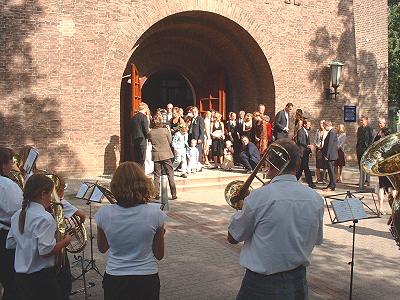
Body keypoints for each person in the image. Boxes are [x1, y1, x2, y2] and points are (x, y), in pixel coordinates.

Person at [227, 138, 324, 300]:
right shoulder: (315, 198)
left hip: (260, 284)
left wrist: (240, 210)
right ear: (298, 165)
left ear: (270, 163)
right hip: (298, 280)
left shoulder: (259, 196)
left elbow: (232, 237)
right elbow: (316, 239)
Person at [95, 162, 166, 300]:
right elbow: (159, 255)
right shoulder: (155, 213)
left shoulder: (103, 213)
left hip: (115, 277)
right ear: (143, 184)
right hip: (146, 277)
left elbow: (102, 248)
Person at [6, 174, 71, 300]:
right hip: (41, 278)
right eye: (50, 194)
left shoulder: (17, 215)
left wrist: (26, 243)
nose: (51, 198)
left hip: (21, 277)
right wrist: (65, 241)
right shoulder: (45, 218)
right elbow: (45, 251)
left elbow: (10, 243)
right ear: (43, 194)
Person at [0, 147, 23, 300]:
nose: (11, 166)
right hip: (5, 237)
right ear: (3, 165)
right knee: (12, 284)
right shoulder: (7, 185)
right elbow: (20, 211)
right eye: (9, 163)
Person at [148, 115, 177, 200]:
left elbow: (150, 140)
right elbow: (170, 141)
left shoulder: (150, 132)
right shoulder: (165, 130)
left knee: (157, 175)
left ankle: (156, 194)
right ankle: (173, 194)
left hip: (156, 155)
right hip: (166, 154)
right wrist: (168, 131)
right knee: (170, 174)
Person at [374, 118, 395, 216]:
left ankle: (388, 209)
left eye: (381, 123)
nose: (379, 124)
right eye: (379, 123)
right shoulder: (379, 134)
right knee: (385, 187)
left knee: (390, 188)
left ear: (385, 123)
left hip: (385, 164)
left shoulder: (381, 134)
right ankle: (382, 208)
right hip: (384, 164)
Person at [296, 120, 316, 189]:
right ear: (304, 125)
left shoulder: (306, 131)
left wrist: (309, 151)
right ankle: (310, 183)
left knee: (300, 169)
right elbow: (300, 141)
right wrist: (307, 146)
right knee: (306, 169)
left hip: (305, 153)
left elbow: (307, 142)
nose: (309, 126)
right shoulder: (301, 131)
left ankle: (294, 181)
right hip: (302, 153)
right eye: (308, 124)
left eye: (309, 124)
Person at [356, 116, 374, 192]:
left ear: (366, 121)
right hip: (359, 149)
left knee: (365, 165)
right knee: (360, 166)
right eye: (360, 121)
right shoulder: (359, 129)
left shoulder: (369, 129)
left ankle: (365, 182)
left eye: (362, 120)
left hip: (366, 149)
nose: (361, 122)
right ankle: (362, 181)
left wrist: (369, 149)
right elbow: (358, 138)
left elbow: (371, 139)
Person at [130, 102, 150, 167]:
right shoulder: (143, 117)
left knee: (136, 160)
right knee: (142, 160)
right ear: (145, 108)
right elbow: (146, 130)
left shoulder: (133, 117)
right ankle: (141, 175)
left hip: (134, 141)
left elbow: (131, 130)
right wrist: (149, 138)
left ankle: (136, 174)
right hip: (142, 141)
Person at [321, 121, 338, 192]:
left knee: (331, 171)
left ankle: (332, 186)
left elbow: (330, 144)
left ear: (327, 125)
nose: (324, 128)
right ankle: (330, 184)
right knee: (330, 170)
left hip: (330, 155)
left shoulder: (332, 132)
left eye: (325, 126)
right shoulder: (332, 131)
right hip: (330, 155)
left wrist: (327, 155)